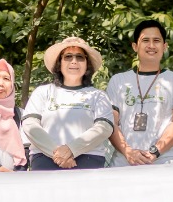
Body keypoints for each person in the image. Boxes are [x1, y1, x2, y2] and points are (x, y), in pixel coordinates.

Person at [107, 19, 173, 165]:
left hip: (162, 162)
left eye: (156, 40)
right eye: (146, 40)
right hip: (123, 162)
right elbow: (110, 123)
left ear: (164, 46)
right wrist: (128, 151)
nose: (151, 45)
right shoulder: (118, 81)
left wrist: (154, 152)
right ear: (135, 46)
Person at [23, 37, 114, 170]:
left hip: (88, 160)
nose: (74, 61)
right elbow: (29, 125)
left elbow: (104, 128)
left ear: (87, 64)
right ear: (59, 63)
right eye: (68, 57)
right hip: (45, 159)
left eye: (80, 57)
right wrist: (57, 153)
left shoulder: (98, 96)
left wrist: (71, 150)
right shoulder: (43, 92)